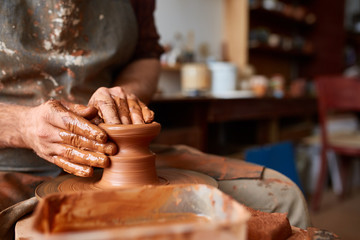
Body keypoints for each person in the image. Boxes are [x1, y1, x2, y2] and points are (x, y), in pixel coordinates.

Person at [0, 0, 310, 238]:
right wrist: (23, 126)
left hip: (110, 156)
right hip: (9, 159)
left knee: (284, 198)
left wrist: (126, 96)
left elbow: (146, 56)